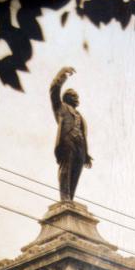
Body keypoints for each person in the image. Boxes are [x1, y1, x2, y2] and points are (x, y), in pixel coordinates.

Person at [50, 67, 92, 201]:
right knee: (66, 170)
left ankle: (70, 200)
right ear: (67, 97)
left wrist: (86, 154)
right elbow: (54, 89)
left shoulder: (81, 116)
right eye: (75, 96)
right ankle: (65, 199)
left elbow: (84, 135)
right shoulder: (60, 107)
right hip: (67, 141)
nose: (77, 98)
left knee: (76, 173)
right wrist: (62, 73)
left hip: (80, 146)